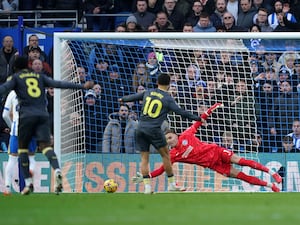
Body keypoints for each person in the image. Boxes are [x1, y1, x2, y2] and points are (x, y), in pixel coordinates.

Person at [132, 103, 283, 192]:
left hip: (216, 151)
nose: (169, 141)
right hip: (214, 165)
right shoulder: (174, 154)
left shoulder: (187, 135)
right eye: (167, 140)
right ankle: (270, 186)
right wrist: (147, 176)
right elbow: (162, 169)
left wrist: (212, 108)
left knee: (241, 161)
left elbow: (199, 120)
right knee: (241, 176)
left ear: (176, 135)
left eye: (170, 137)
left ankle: (272, 173)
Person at [0, 56, 94, 195]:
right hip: (43, 116)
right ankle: (57, 169)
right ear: (28, 65)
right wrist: (81, 86)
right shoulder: (39, 76)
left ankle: (28, 183)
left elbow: (4, 88)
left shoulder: (15, 78)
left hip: (26, 117)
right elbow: (59, 84)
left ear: (15, 67)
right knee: (45, 147)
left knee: (22, 150)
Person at [119, 73, 203, 194]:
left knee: (144, 158)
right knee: (166, 156)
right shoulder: (167, 98)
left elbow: (134, 96)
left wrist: (123, 99)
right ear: (169, 84)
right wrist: (198, 118)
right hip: (154, 130)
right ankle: (172, 184)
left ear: (157, 82)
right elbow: (181, 112)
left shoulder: (148, 92)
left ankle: (147, 188)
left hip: (140, 128)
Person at [2, 90, 37, 195]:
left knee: (12, 159)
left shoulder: (13, 93)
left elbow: (5, 115)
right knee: (31, 158)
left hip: (16, 130)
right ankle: (28, 183)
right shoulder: (35, 90)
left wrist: (11, 125)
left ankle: (7, 188)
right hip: (31, 128)